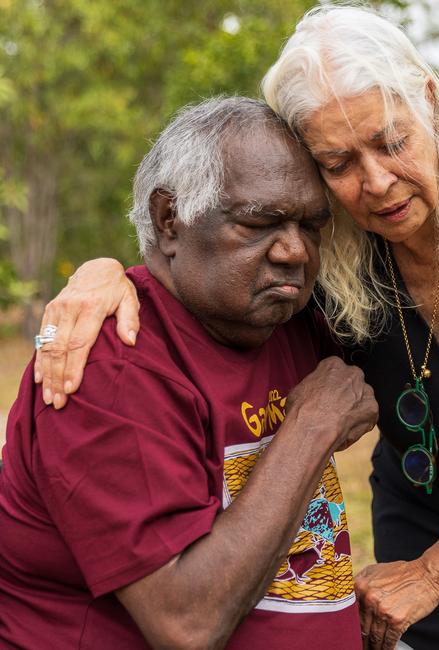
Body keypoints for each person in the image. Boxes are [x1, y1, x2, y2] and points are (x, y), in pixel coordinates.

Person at [29, 5, 439, 649]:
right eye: (337, 163)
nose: (376, 184)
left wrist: (433, 576)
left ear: (430, 102)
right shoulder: (324, 252)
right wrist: (101, 274)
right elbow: (204, 261)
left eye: (392, 142)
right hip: (430, 512)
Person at [0, 96, 380, 649]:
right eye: (259, 222)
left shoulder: (289, 321)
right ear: (169, 220)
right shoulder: (111, 366)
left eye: (311, 225)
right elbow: (186, 623)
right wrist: (313, 425)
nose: (295, 251)